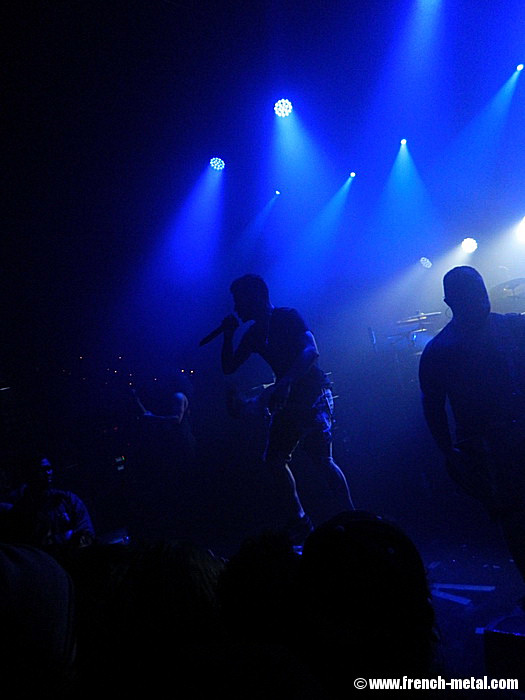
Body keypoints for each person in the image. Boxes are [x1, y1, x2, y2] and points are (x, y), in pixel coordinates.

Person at [220, 274, 354, 544]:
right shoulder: (254, 334)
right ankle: (302, 522)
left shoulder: (288, 316)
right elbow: (229, 366)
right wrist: (228, 335)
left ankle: (352, 519)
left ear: (256, 296)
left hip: (312, 393)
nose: (236, 307)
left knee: (321, 460)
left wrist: (286, 382)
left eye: (239, 300)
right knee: (276, 460)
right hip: (289, 398)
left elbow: (311, 351)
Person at [419, 265, 525, 583]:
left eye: (481, 290)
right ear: (451, 302)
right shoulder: (440, 351)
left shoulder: (514, 326)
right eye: (472, 294)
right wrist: (450, 452)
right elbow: (433, 407)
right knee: (514, 517)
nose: (481, 299)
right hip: (489, 448)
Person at [3, 455, 95, 548]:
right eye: (41, 470)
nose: (47, 473)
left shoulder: (69, 499)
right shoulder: (19, 506)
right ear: (30, 473)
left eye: (49, 469)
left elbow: (87, 534)